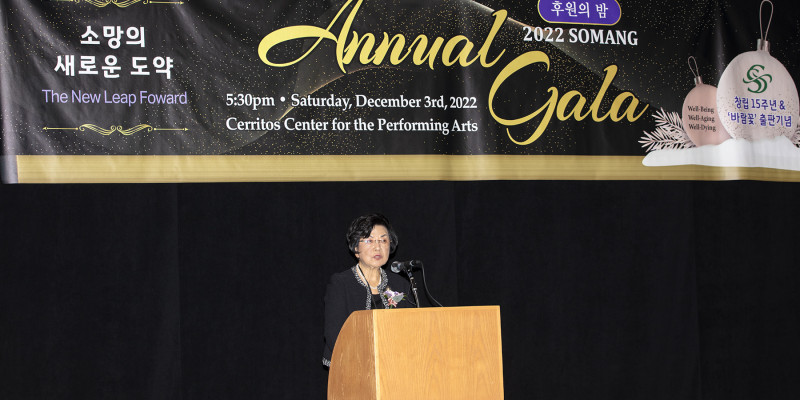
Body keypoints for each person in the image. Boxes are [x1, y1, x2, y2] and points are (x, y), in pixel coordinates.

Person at [322, 213, 414, 367]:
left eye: (383, 240)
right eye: (369, 240)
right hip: (350, 366)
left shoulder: (401, 284)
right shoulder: (341, 283)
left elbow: (412, 330)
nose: (377, 247)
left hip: (395, 366)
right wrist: (365, 360)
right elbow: (334, 335)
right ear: (356, 247)